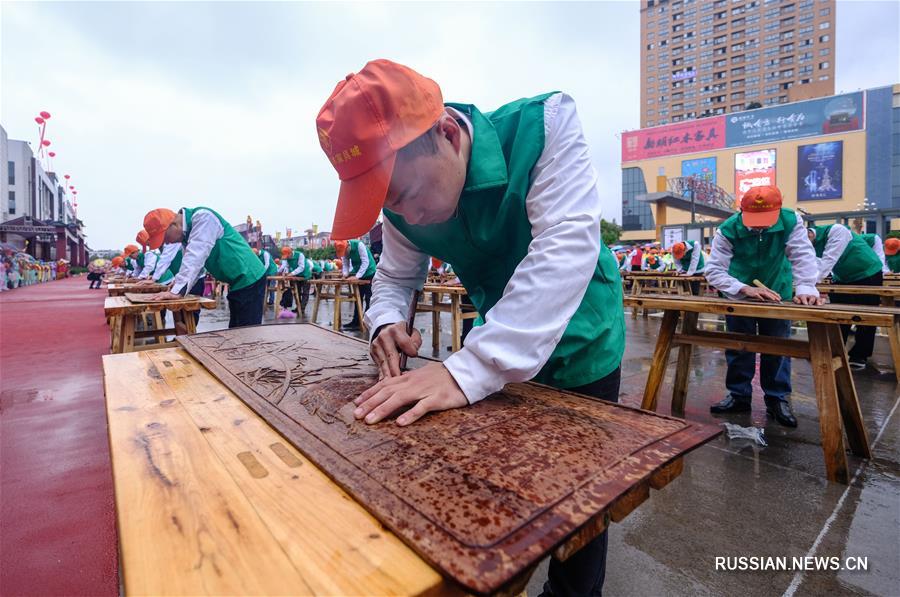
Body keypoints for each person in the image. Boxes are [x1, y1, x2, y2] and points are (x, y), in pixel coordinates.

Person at [316, 59, 625, 595]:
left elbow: (564, 248)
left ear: (448, 133)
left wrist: (469, 368)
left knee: (580, 507)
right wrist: (385, 321)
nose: (405, 214)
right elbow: (395, 275)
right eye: (388, 203)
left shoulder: (543, 126)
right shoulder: (402, 207)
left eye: (406, 194)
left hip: (583, 338)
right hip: (493, 340)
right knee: (494, 483)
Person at [705, 185, 822, 428]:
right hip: (739, 294)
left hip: (777, 291)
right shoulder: (728, 229)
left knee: (777, 346)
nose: (760, 227)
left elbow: (802, 255)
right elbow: (714, 270)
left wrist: (806, 287)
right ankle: (739, 395)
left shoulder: (790, 221)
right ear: (742, 211)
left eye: (765, 220)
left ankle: (777, 398)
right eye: (754, 220)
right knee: (739, 346)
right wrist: (743, 288)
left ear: (778, 210)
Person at [141, 207, 267, 328]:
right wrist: (177, 283)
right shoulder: (188, 233)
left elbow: (194, 257)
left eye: (165, 238)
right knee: (237, 329)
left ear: (174, 225)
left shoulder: (203, 217)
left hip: (250, 277)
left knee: (246, 331)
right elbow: (193, 266)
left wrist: (176, 291)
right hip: (237, 281)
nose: (167, 243)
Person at [807, 224, 884, 369]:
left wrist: (807, 284)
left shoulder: (837, 231)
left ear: (808, 234)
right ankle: (835, 351)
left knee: (866, 317)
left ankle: (860, 355)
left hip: (867, 273)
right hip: (843, 277)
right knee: (838, 316)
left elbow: (828, 262)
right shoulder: (809, 245)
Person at [334, 239, 376, 331]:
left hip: (370, 272)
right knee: (358, 298)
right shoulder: (346, 251)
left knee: (369, 298)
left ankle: (367, 322)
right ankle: (356, 322)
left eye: (345, 252)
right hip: (359, 274)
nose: (345, 254)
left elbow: (365, 262)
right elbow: (345, 264)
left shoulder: (359, 245)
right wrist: (345, 275)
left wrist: (357, 276)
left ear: (348, 246)